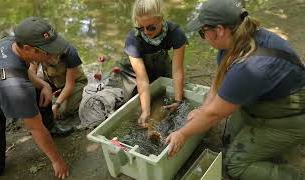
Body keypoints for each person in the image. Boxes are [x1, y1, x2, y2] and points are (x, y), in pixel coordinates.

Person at [165, 0, 305, 180]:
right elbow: (218, 81)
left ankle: (291, 175)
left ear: (220, 30)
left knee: (233, 164)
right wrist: (201, 110)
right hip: (264, 103)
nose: (203, 36)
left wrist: (182, 134)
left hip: (290, 118)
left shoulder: (250, 67)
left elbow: (214, 115)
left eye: (202, 32)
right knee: (228, 137)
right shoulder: (235, 40)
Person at [0, 17, 71, 179]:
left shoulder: (12, 41)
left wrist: (44, 85)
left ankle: (50, 127)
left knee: (40, 88)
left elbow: (21, 70)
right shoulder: (15, 86)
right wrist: (57, 160)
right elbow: (34, 128)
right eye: (48, 51)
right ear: (27, 48)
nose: (53, 55)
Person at [118, 0, 187, 128]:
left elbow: (177, 70)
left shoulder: (176, 33)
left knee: (167, 94)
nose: (146, 32)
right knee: (136, 104)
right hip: (134, 70)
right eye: (140, 27)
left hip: (159, 60)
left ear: (161, 19)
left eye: (151, 27)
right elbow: (142, 79)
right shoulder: (133, 39)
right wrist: (146, 111)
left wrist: (178, 100)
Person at [29, 42, 87, 121]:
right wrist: (44, 86)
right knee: (37, 95)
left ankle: (80, 99)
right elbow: (32, 74)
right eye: (47, 55)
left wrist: (56, 105)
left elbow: (69, 85)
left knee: (62, 111)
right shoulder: (37, 51)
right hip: (53, 82)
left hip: (75, 82)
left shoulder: (70, 53)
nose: (50, 58)